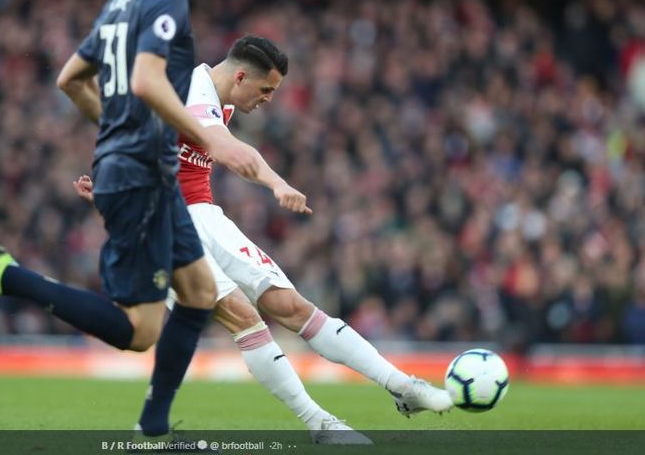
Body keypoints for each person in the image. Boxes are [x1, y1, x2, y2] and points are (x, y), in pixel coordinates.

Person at [75, 34, 452, 444]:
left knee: (288, 305)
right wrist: (276, 183)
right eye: (267, 89)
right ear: (240, 75)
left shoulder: (224, 98)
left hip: (201, 213)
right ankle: (320, 424)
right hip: (158, 222)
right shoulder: (194, 90)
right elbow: (228, 151)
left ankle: (402, 387)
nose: (270, 99)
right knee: (243, 316)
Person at [0, 0, 259, 435]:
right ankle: (6, 275)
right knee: (140, 331)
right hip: (141, 174)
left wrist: (119, 134)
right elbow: (148, 83)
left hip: (145, 171)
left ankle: (154, 426)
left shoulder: (117, 6)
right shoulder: (166, 2)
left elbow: (70, 79)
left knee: (199, 292)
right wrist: (205, 139)